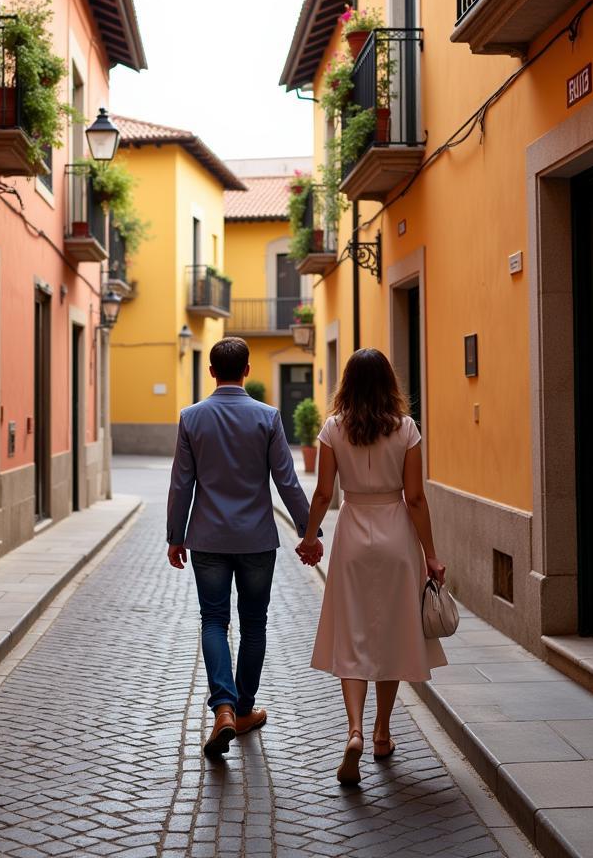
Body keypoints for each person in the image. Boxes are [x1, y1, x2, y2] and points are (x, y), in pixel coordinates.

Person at [297, 348, 447, 786]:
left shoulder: (333, 429)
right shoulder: (406, 429)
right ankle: (383, 733)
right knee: (393, 634)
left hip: (352, 536)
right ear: (388, 383)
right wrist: (432, 554)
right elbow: (416, 498)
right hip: (396, 536)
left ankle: (356, 730)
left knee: (354, 632)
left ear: (347, 383)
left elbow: (324, 494)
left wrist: (309, 538)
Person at [167, 336, 320, 758]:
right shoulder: (268, 417)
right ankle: (245, 707)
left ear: (212, 372)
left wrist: (174, 536)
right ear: (248, 371)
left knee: (214, 621)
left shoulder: (191, 418)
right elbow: (286, 480)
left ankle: (225, 710)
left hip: (208, 539)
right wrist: (309, 531)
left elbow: (182, 482)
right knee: (254, 623)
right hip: (256, 539)